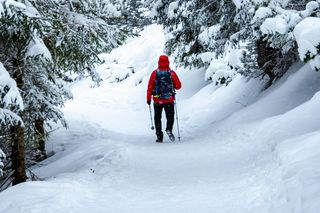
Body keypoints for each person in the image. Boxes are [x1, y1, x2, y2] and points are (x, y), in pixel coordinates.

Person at [147, 55, 181, 143]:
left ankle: (159, 137)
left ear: (159, 62)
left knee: (157, 118)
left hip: (157, 99)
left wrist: (148, 98)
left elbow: (150, 86)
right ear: (168, 62)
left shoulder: (155, 73)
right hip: (169, 99)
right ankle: (169, 129)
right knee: (170, 117)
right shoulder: (171, 73)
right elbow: (179, 86)